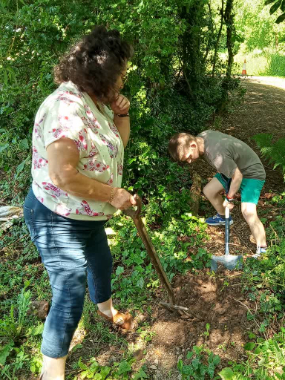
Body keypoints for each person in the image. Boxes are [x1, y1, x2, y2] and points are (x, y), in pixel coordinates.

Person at [24, 26, 136, 380]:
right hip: (57, 216)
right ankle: (51, 372)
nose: (122, 81)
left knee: (101, 262)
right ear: (100, 73)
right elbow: (64, 176)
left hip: (86, 214)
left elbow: (117, 145)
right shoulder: (65, 110)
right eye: (119, 74)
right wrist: (114, 195)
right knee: (70, 293)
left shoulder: (95, 101)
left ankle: (106, 311)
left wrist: (121, 114)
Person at [168, 130, 267, 257]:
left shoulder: (216, 154)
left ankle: (262, 248)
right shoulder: (202, 138)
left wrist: (229, 197)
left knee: (248, 212)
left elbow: (237, 176)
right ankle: (223, 217)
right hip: (233, 169)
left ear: (193, 145)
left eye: (188, 157)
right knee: (209, 190)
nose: (189, 161)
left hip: (251, 173)